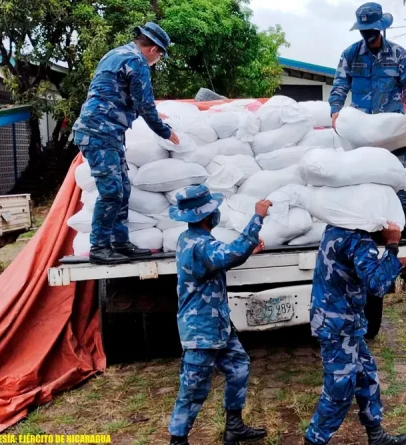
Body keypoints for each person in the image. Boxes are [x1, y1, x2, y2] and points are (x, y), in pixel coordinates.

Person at [167, 185, 270, 445]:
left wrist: (247, 250)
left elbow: (224, 257)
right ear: (205, 217)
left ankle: (234, 426)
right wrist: (257, 217)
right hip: (201, 329)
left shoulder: (192, 239)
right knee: (193, 387)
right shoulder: (198, 246)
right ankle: (177, 440)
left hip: (217, 324)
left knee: (238, 366)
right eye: (214, 211)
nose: (217, 214)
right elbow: (228, 255)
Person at [72, 22, 180, 265]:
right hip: (100, 133)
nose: (158, 60)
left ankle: (120, 243)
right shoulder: (137, 62)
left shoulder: (116, 54)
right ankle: (99, 247)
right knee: (111, 192)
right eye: (160, 55)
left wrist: (149, 116)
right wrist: (164, 131)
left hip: (105, 132)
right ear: (153, 49)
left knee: (122, 190)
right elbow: (144, 103)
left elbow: (117, 94)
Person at [304, 222, 406, 445]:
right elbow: (377, 285)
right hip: (338, 324)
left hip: (340, 319)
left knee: (365, 374)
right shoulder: (359, 240)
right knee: (340, 389)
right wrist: (392, 245)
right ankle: (314, 440)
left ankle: (376, 433)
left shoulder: (335, 227)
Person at [329, 2, 406, 239]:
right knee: (361, 175)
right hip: (362, 129)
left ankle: (403, 219)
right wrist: (335, 111)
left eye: (370, 30)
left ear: (380, 28)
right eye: (363, 30)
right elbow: (340, 85)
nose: (367, 34)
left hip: (391, 129)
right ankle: (365, 223)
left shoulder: (398, 54)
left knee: (399, 173)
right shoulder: (350, 55)